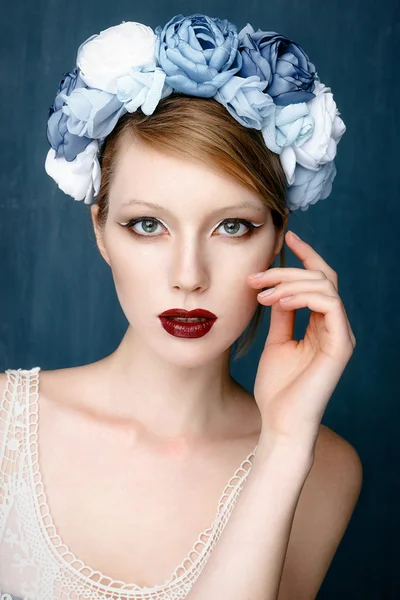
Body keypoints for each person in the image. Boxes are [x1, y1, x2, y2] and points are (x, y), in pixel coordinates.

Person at [0, 13, 363, 600]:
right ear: (100, 230)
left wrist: (284, 448)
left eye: (232, 227)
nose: (188, 277)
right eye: (148, 224)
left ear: (276, 236)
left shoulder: (326, 470)